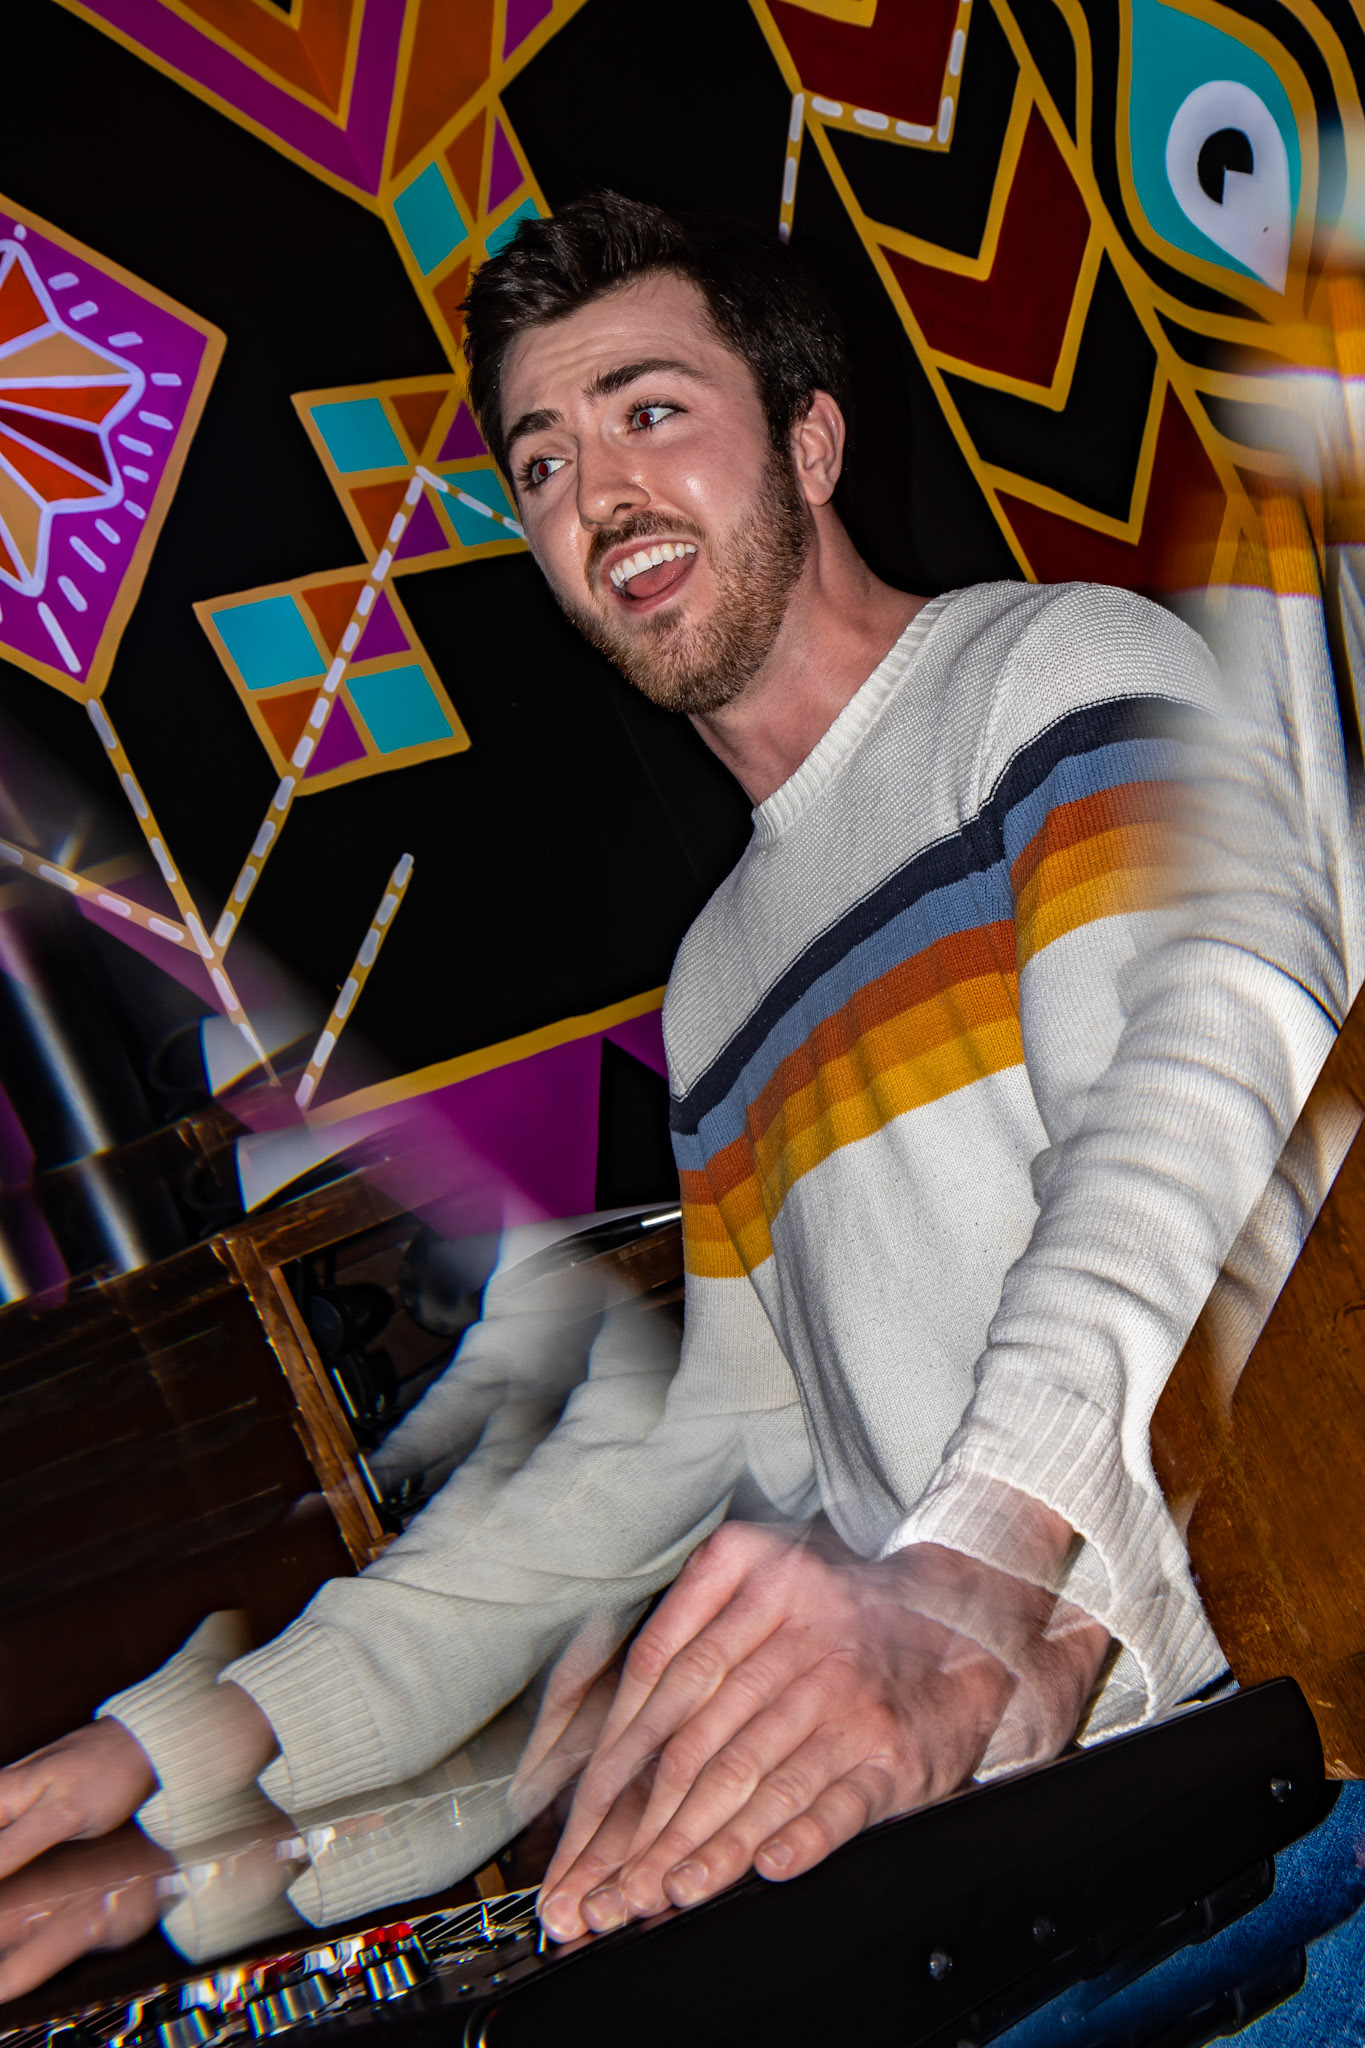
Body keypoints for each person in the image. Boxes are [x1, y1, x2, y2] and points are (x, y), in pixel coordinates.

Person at [0, 194, 1356, 2011]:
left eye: (650, 411)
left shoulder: (1051, 678)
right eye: (542, 460)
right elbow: (681, 1445)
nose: (599, 494)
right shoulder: (717, 979)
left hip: (1276, 1750)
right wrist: (184, 1774)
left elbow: (1193, 1093)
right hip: (1023, 1841)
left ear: (810, 441)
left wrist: (975, 1575)